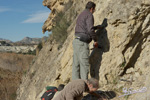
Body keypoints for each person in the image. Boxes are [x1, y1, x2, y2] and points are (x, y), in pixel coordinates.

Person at [72, 1, 104, 80]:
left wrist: (96, 27)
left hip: (76, 41)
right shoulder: (89, 15)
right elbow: (90, 30)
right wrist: (95, 40)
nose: (94, 11)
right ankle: (84, 86)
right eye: (94, 10)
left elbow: (84, 27)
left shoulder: (81, 14)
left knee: (76, 64)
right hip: (82, 43)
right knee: (84, 64)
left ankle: (75, 86)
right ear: (92, 8)